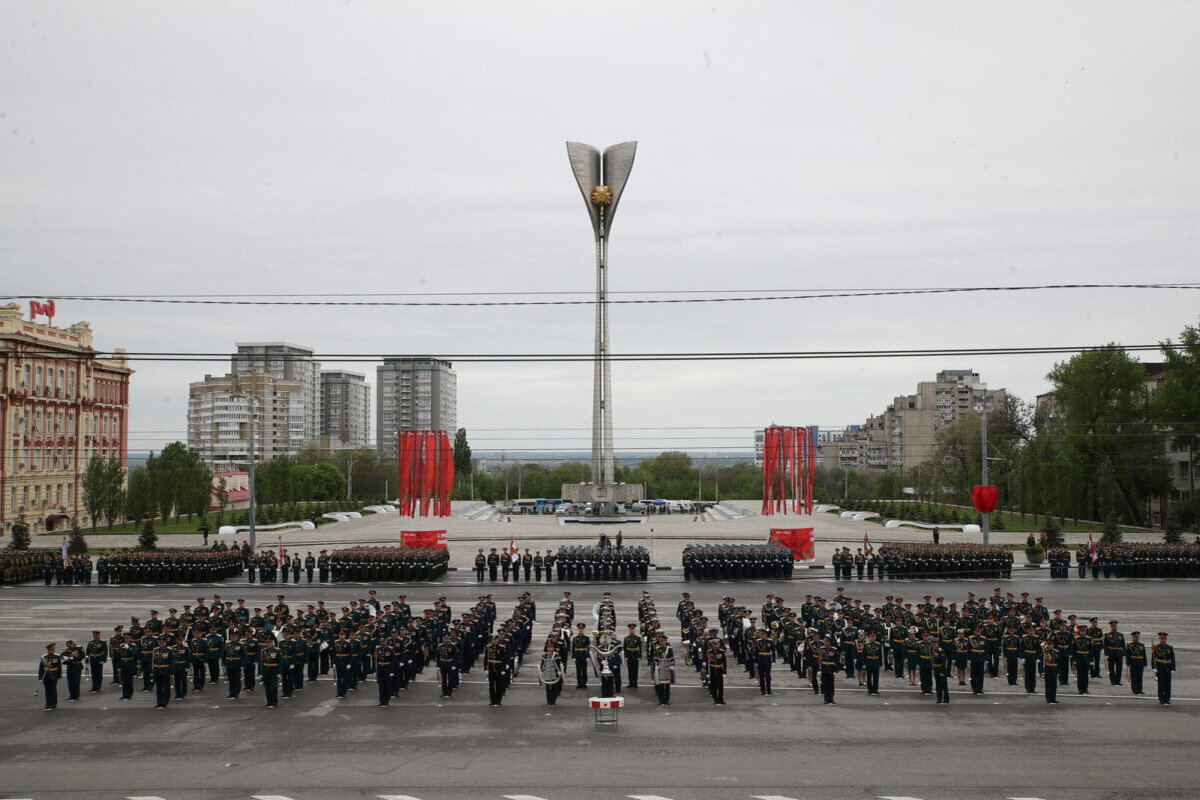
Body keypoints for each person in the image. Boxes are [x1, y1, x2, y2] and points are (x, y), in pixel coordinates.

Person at [1153, 632, 1176, 705]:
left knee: (1167, 684)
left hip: (1168, 667)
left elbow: (1172, 658)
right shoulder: (1156, 647)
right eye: (1161, 638)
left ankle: (1167, 698)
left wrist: (1173, 668)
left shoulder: (1170, 647)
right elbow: (1153, 658)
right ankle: (1161, 699)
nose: (1163, 640)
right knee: (1160, 684)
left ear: (1166, 639)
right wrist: (1154, 667)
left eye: (1164, 639)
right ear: (1160, 639)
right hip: (1160, 666)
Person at [37, 643, 63, 710]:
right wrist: (40, 677)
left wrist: (59, 675)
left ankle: (54, 704)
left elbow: (59, 666)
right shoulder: (44, 657)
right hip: (46, 676)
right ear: (48, 650)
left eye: (53, 649)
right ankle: (48, 704)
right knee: (47, 690)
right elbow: (41, 668)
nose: (52, 651)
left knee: (53, 690)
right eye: (51, 649)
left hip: (54, 675)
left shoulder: (57, 656)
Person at [623, 623, 642, 688]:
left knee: (635, 670)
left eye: (633, 629)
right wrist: (625, 656)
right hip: (629, 655)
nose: (632, 631)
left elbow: (640, 647)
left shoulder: (638, 638)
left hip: (635, 654)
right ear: (629, 630)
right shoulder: (626, 638)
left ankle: (635, 682)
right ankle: (630, 682)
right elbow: (624, 647)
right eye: (630, 629)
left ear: (634, 630)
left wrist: (639, 656)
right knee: (630, 670)